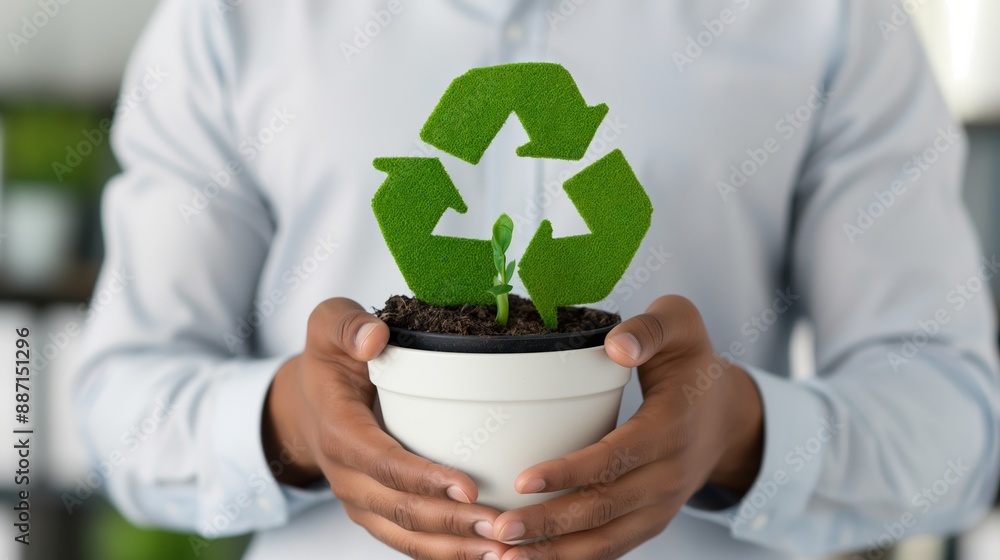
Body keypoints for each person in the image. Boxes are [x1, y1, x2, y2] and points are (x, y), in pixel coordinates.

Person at [73, 0, 1000, 559]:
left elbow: (957, 425)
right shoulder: (231, 22)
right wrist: (291, 426)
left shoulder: (827, 21)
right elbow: (122, 404)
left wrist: (743, 438)